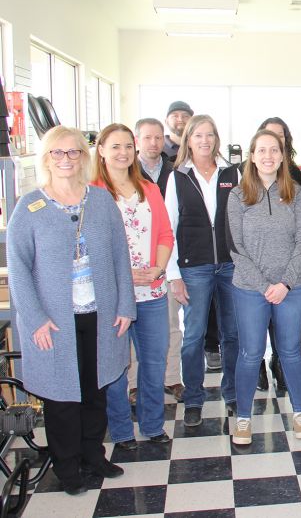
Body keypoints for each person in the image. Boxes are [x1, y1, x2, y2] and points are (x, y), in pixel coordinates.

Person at [7, 126, 135, 495]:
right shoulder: (28, 207)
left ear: (84, 156)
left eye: (73, 152)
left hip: (100, 313)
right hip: (54, 321)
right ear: (46, 159)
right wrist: (35, 320)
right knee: (62, 395)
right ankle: (67, 467)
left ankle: (93, 454)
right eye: (57, 153)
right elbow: (18, 270)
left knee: (96, 388)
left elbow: (119, 256)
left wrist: (126, 304)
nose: (65, 159)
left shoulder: (100, 200)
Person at [93, 123, 174, 450]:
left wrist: (157, 268)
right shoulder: (92, 193)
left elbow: (166, 234)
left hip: (152, 292)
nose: (123, 152)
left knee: (154, 362)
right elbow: (88, 246)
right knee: (115, 367)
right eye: (115, 146)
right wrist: (121, 273)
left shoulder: (149, 188)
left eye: (128, 146)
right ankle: (122, 430)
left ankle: (153, 424)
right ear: (101, 150)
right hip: (112, 296)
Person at [227, 129, 301, 444]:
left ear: (282, 155)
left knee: (290, 350)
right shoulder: (237, 195)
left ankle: (300, 412)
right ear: (252, 156)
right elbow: (236, 249)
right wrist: (266, 286)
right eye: (261, 151)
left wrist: (285, 282)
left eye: (274, 150)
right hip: (250, 289)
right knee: (251, 353)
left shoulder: (295, 193)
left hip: (292, 287)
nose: (268, 156)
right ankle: (245, 418)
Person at [164, 114, 241, 427]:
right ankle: (194, 397)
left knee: (232, 334)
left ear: (216, 139)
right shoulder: (178, 177)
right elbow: (170, 227)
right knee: (194, 335)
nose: (204, 141)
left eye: (210, 135)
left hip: (230, 266)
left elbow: (242, 220)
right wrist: (173, 275)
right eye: (198, 136)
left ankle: (233, 393)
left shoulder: (231, 173)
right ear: (189, 140)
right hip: (194, 267)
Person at [132, 117, 183, 403]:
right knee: (131, 324)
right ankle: (133, 383)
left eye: (157, 138)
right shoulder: (127, 172)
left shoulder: (174, 170)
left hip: (167, 257)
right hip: (133, 261)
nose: (153, 143)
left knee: (170, 324)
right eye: (147, 138)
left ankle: (172, 378)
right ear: (137, 140)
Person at [257, 116, 301, 390]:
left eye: (280, 138)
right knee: (256, 328)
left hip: (287, 270)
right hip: (257, 271)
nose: (272, 147)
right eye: (267, 139)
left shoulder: (294, 177)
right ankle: (260, 366)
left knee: (284, 329)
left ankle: (279, 361)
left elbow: (300, 230)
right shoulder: (246, 178)